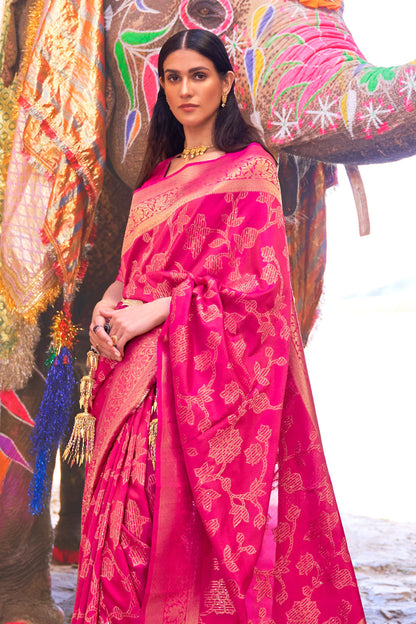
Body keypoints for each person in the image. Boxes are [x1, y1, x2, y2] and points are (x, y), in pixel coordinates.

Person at [71, 29, 366, 624]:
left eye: (199, 76)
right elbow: (131, 273)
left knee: (165, 530)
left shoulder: (250, 169)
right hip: (128, 377)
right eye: (174, 78)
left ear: (226, 83)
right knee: (118, 534)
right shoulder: (155, 178)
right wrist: (109, 301)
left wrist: (158, 310)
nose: (185, 90)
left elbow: (259, 290)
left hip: (191, 385)